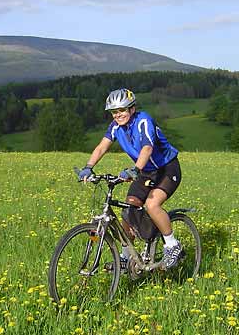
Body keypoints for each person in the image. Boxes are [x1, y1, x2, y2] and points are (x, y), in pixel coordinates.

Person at [78, 88, 183, 269]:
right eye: (114, 112)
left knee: (152, 205)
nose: (118, 115)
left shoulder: (143, 121)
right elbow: (102, 147)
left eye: (122, 110)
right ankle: (127, 256)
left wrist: (134, 169)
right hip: (145, 172)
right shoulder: (116, 127)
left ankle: (173, 245)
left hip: (166, 168)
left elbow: (147, 149)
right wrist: (88, 167)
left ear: (132, 109)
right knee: (128, 207)